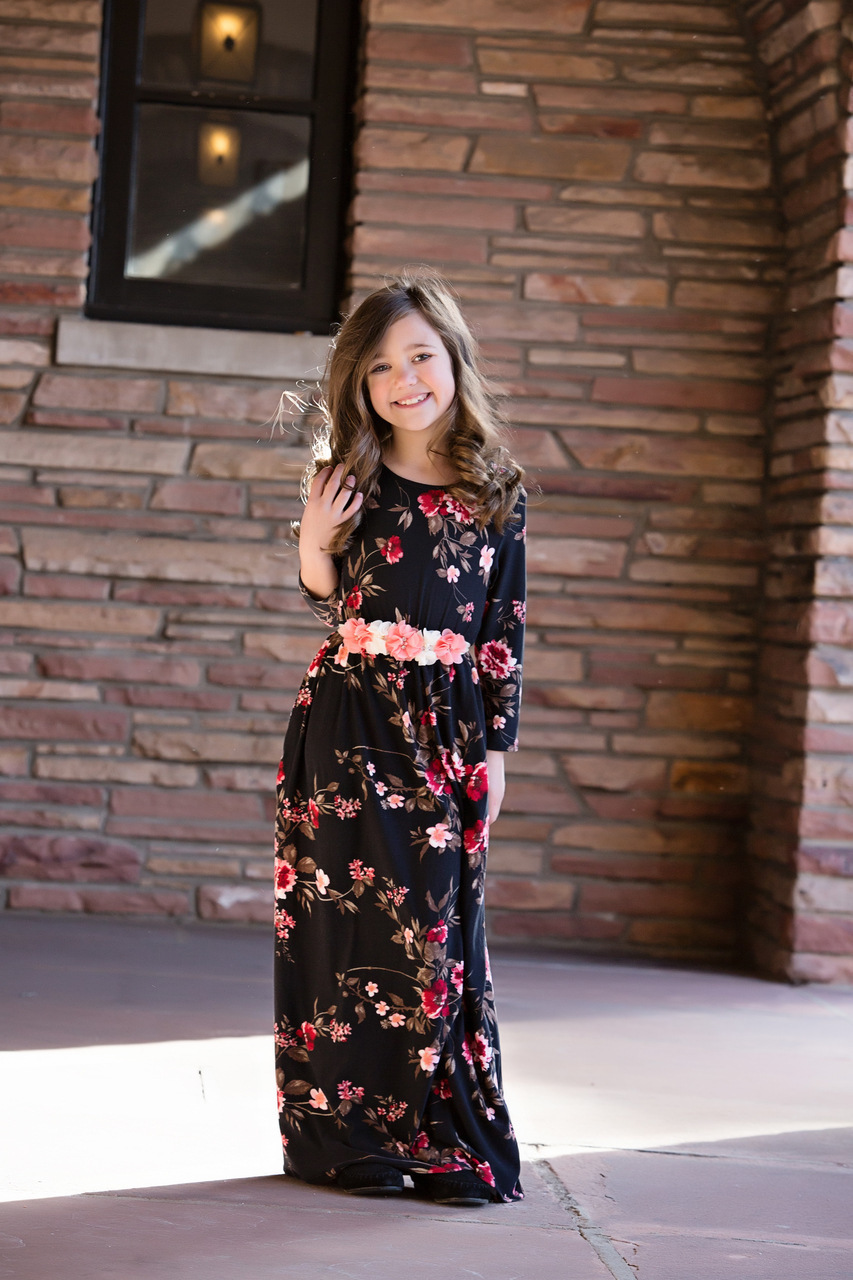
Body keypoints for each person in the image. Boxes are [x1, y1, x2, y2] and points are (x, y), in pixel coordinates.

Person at [274, 271, 526, 1206]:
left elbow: (503, 628)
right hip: (347, 723)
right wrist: (313, 535)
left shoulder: (497, 488)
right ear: (360, 382)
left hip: (447, 730)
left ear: (453, 358)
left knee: (437, 931)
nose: (404, 378)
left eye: (421, 355)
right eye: (381, 365)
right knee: (343, 927)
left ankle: (443, 1131)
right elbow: (325, 594)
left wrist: (495, 749)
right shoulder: (349, 478)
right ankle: (349, 1136)